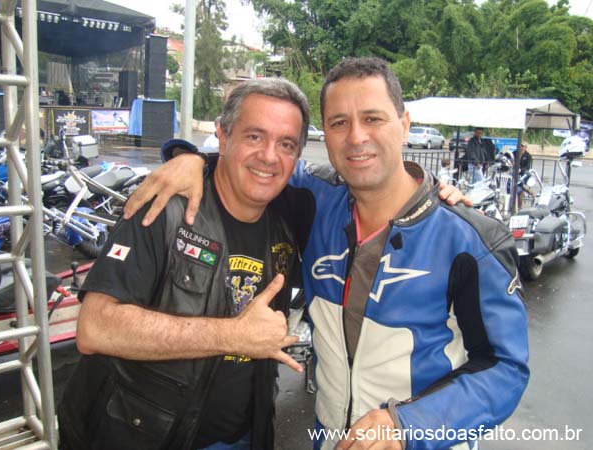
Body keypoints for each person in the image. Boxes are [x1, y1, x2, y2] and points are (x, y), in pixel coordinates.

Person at [125, 57, 529, 450]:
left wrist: (408, 424)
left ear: (404, 125)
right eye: (339, 123)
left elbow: (505, 368)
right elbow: (254, 161)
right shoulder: (314, 198)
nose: (356, 137)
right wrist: (192, 159)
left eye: (373, 118)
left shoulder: (470, 241)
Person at [57, 78, 314, 450]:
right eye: (254, 136)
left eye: (286, 144)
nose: (269, 156)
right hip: (140, 436)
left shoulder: (290, 214)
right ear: (222, 136)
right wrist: (233, 335)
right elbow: (96, 327)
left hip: (244, 436)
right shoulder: (166, 208)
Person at [517, 142, 535, 208]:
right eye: (521, 146)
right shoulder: (515, 153)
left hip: (524, 174)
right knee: (520, 188)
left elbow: (527, 167)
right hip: (516, 174)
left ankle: (532, 193)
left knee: (520, 187)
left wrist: (520, 170)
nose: (522, 147)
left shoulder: (528, 156)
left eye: (523, 146)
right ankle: (531, 193)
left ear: (525, 147)